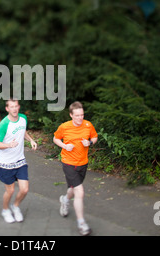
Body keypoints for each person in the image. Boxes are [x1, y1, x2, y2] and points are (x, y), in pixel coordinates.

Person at [53, 101, 98, 236]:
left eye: (82, 115)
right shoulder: (64, 127)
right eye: (77, 115)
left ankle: (65, 200)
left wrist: (89, 142)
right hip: (68, 163)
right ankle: (81, 223)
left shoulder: (88, 125)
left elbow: (95, 137)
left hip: (83, 163)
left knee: (72, 188)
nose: (80, 118)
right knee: (80, 191)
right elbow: (55, 139)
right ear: (71, 115)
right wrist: (64, 146)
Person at [0, 99, 37, 223]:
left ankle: (15, 206)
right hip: (5, 164)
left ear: (18, 107)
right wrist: (8, 145)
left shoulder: (23, 118)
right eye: (11, 107)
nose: (14, 109)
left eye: (16, 106)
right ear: (7, 109)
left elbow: (22, 131)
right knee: (11, 190)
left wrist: (31, 140)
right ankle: (5, 210)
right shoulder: (4, 124)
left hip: (20, 161)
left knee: (24, 189)